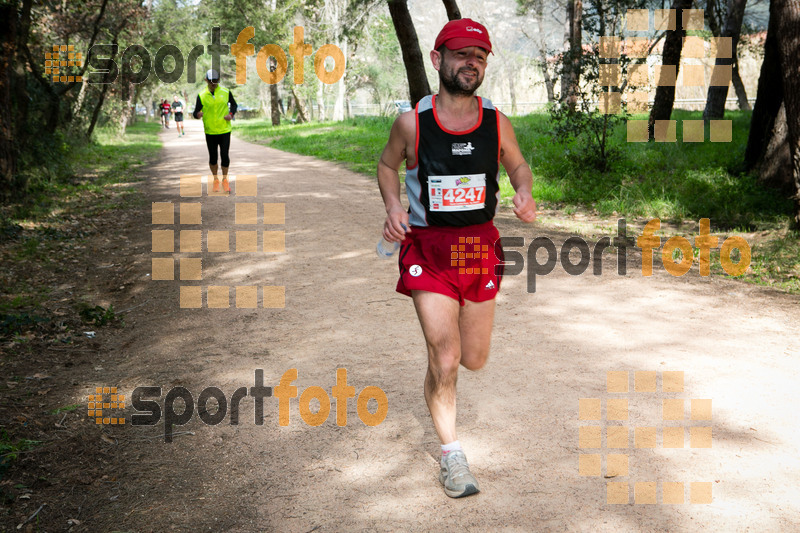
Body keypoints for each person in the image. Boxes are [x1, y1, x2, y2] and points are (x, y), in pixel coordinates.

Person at [377, 18, 537, 498]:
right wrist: (392, 206)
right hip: (428, 249)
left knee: (473, 358)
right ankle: (452, 456)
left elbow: (518, 164)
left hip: (478, 249)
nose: (472, 62)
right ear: (438, 59)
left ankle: (437, 373)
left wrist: (524, 191)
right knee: (446, 357)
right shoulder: (412, 122)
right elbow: (387, 164)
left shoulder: (495, 121)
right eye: (462, 53)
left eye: (480, 56)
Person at [193, 69, 237, 193]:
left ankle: (225, 180)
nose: (213, 83)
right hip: (210, 131)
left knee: (224, 156)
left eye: (216, 81)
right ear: (206, 80)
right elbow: (195, 112)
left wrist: (231, 114)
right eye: (211, 81)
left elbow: (234, 105)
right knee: (213, 157)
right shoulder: (201, 95)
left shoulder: (226, 92)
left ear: (219, 80)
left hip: (224, 130)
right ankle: (215, 179)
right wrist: (198, 114)